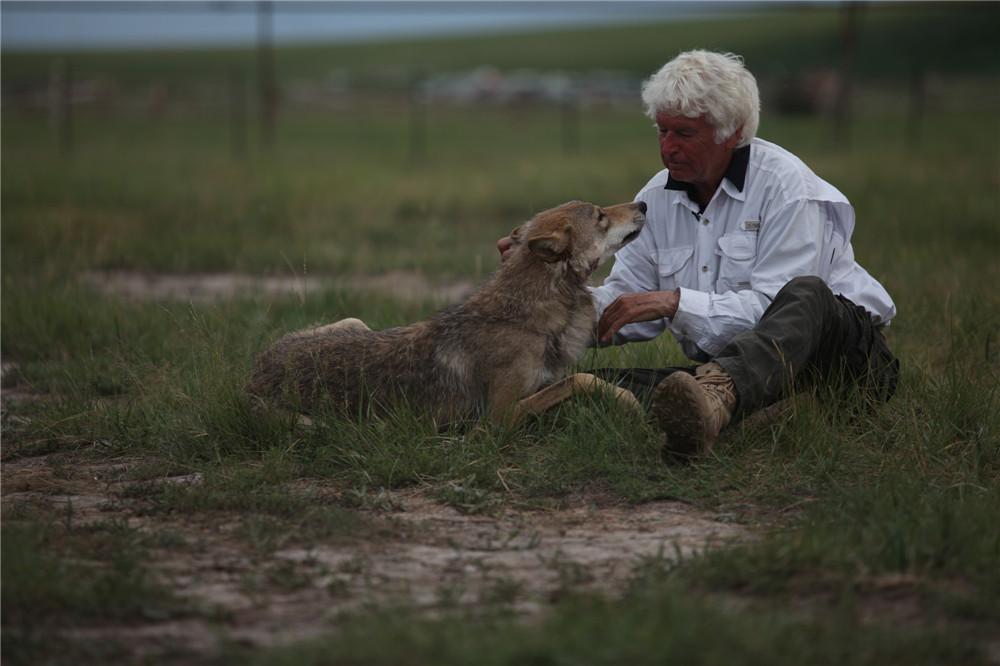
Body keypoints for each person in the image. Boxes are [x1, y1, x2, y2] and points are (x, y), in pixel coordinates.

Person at [498, 50, 899, 460]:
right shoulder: (656, 197)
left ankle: (725, 402)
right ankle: (739, 410)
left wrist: (674, 302)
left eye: (684, 134)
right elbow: (622, 303)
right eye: (662, 131)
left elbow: (776, 312)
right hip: (730, 372)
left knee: (807, 293)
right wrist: (538, 284)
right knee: (585, 388)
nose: (668, 147)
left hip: (842, 362)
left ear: (734, 132)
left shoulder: (787, 187)